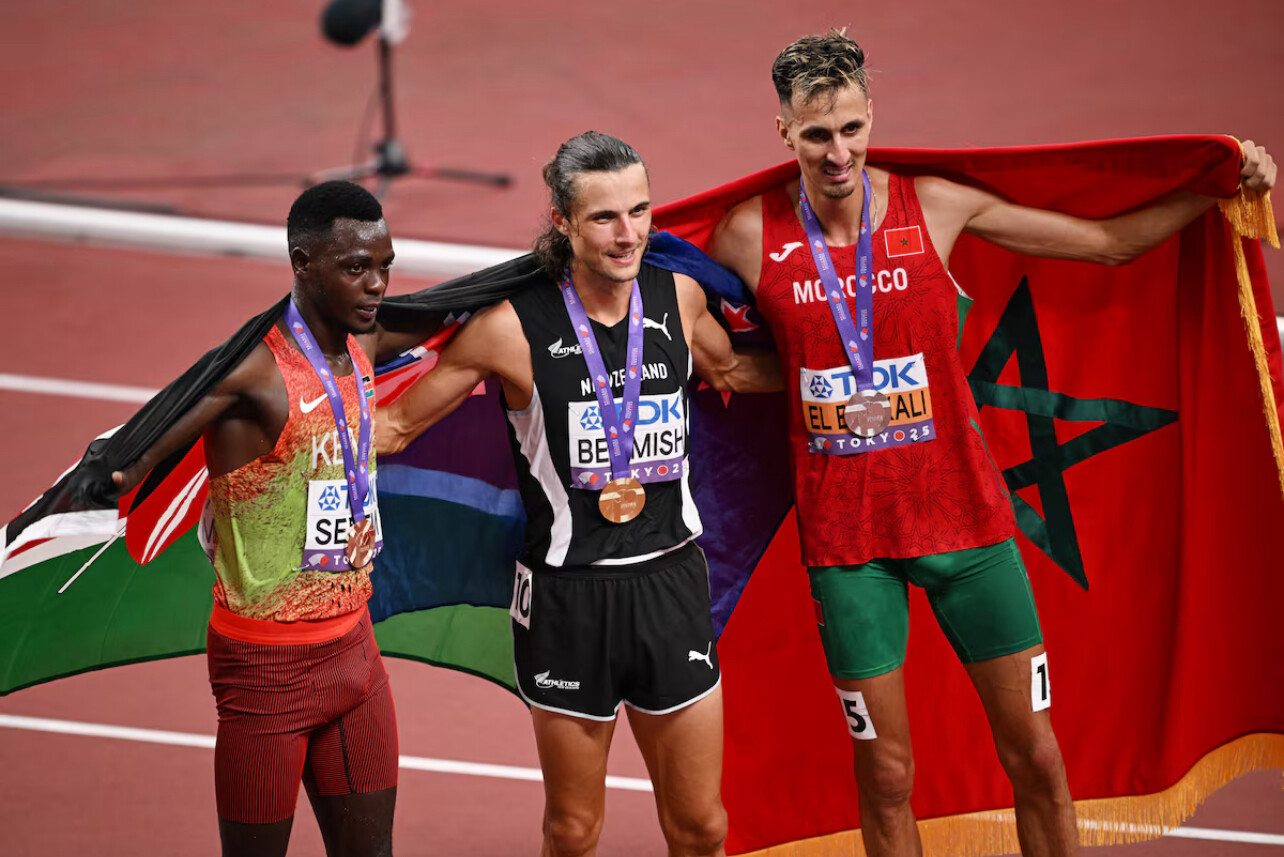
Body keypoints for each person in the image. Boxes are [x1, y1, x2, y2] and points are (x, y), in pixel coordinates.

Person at [706, 29, 1276, 857]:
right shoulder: (745, 236)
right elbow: (696, 333)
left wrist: (1216, 189)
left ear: (873, 117)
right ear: (784, 131)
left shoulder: (936, 205)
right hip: (848, 543)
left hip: (967, 525)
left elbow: (1108, 245)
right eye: (818, 134)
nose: (838, 153)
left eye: (853, 129)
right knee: (886, 773)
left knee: (1036, 755)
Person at [378, 131, 780, 857]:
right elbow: (397, 425)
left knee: (703, 827)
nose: (628, 235)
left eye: (640, 211)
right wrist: (273, 437)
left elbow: (731, 372)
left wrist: (843, 372)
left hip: (670, 586)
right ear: (562, 222)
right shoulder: (508, 329)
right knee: (572, 830)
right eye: (604, 217)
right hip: (568, 601)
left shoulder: (680, 297)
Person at [112, 181, 439, 857]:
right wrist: (105, 478)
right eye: (356, 267)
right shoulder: (252, 375)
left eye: (385, 265)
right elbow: (138, 453)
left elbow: (461, 306)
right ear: (302, 262)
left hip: (356, 655)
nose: (377, 284)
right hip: (265, 674)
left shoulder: (366, 342)